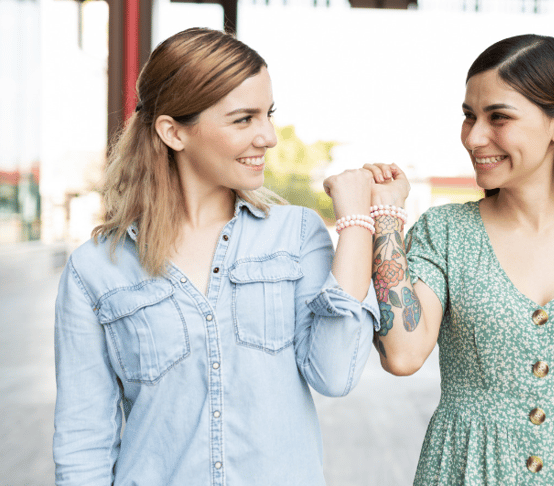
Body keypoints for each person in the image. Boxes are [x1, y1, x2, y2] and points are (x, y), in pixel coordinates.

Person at [53, 27, 380, 486]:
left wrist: (356, 224)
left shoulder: (297, 235)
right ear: (173, 132)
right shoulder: (94, 270)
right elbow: (83, 441)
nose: (267, 136)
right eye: (243, 119)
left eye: (268, 114)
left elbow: (335, 372)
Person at [355, 34, 554, 485]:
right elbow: (403, 353)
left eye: (498, 117)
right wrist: (388, 217)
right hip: (467, 471)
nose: (474, 136)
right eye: (469, 116)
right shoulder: (446, 232)